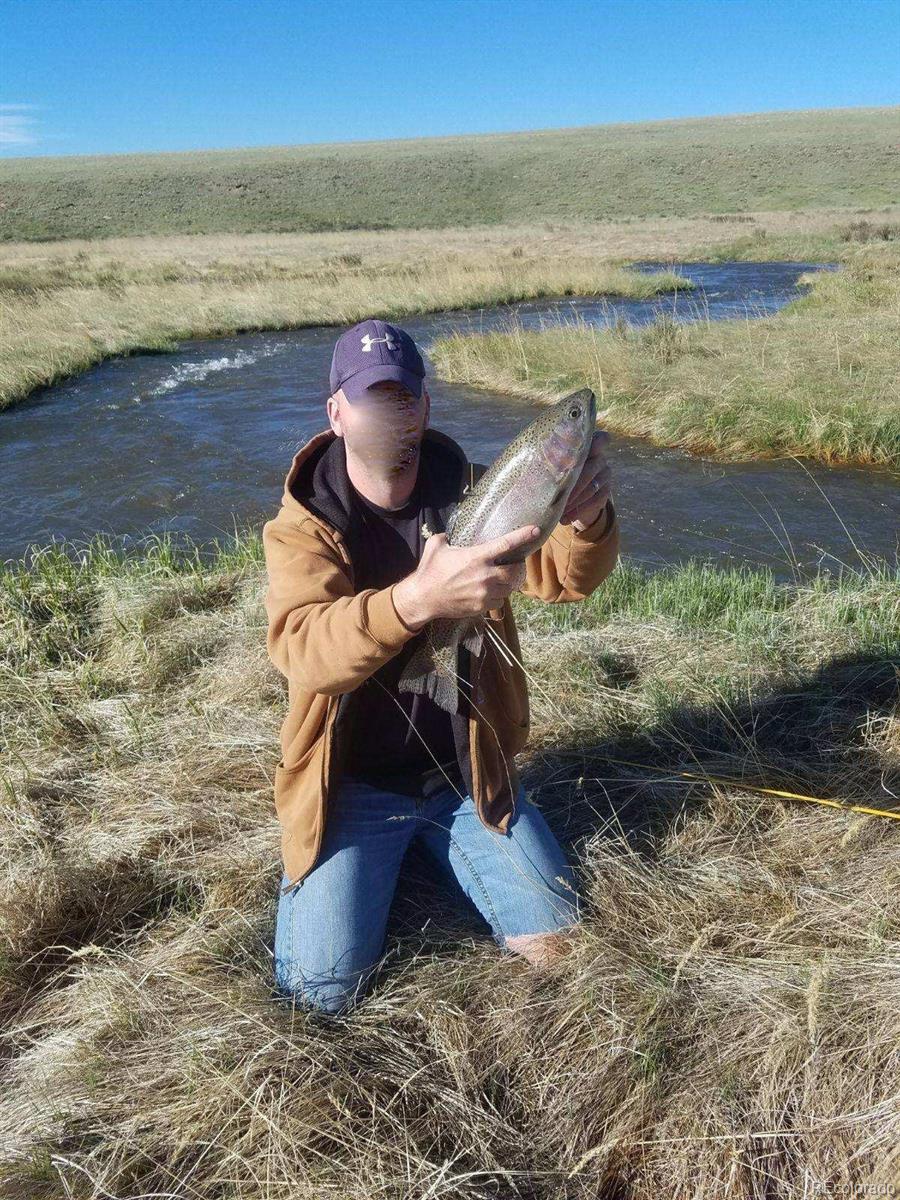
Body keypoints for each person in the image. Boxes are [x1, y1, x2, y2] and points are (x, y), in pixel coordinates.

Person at [263, 317, 619, 1015]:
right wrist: (415, 600)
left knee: (560, 947)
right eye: (371, 398)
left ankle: (441, 851)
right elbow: (303, 649)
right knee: (317, 997)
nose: (388, 413)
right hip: (351, 788)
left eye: (402, 397)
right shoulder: (303, 526)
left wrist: (586, 521)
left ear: (425, 407)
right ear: (336, 413)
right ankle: (369, 868)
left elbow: (566, 578)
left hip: (466, 777)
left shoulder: (478, 494)